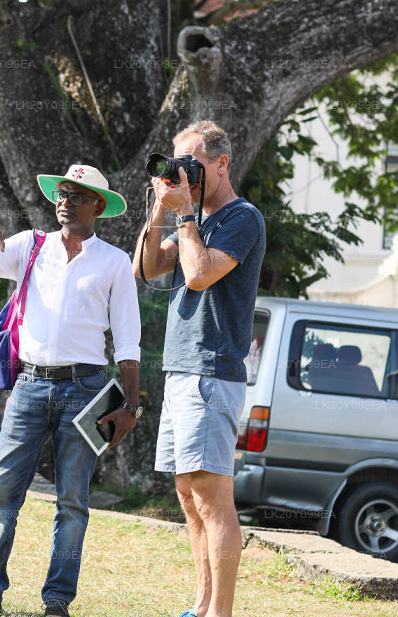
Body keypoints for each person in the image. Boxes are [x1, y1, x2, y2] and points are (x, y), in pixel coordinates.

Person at [0, 164, 143, 617]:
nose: (64, 200)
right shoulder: (30, 245)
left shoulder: (113, 261)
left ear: (98, 205)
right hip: (30, 385)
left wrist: (131, 405)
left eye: (76, 195)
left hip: (86, 388)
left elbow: (129, 340)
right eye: (61, 193)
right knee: (1, 492)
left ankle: (57, 601)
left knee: (72, 501)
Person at [133, 121, 266, 617]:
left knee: (212, 497)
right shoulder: (194, 220)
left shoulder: (242, 218)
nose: (183, 174)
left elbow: (198, 273)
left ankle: (221, 613)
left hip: (212, 372)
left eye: (192, 165)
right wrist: (159, 207)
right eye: (177, 165)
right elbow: (144, 270)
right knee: (188, 495)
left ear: (221, 164)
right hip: (182, 369)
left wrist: (185, 212)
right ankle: (203, 603)